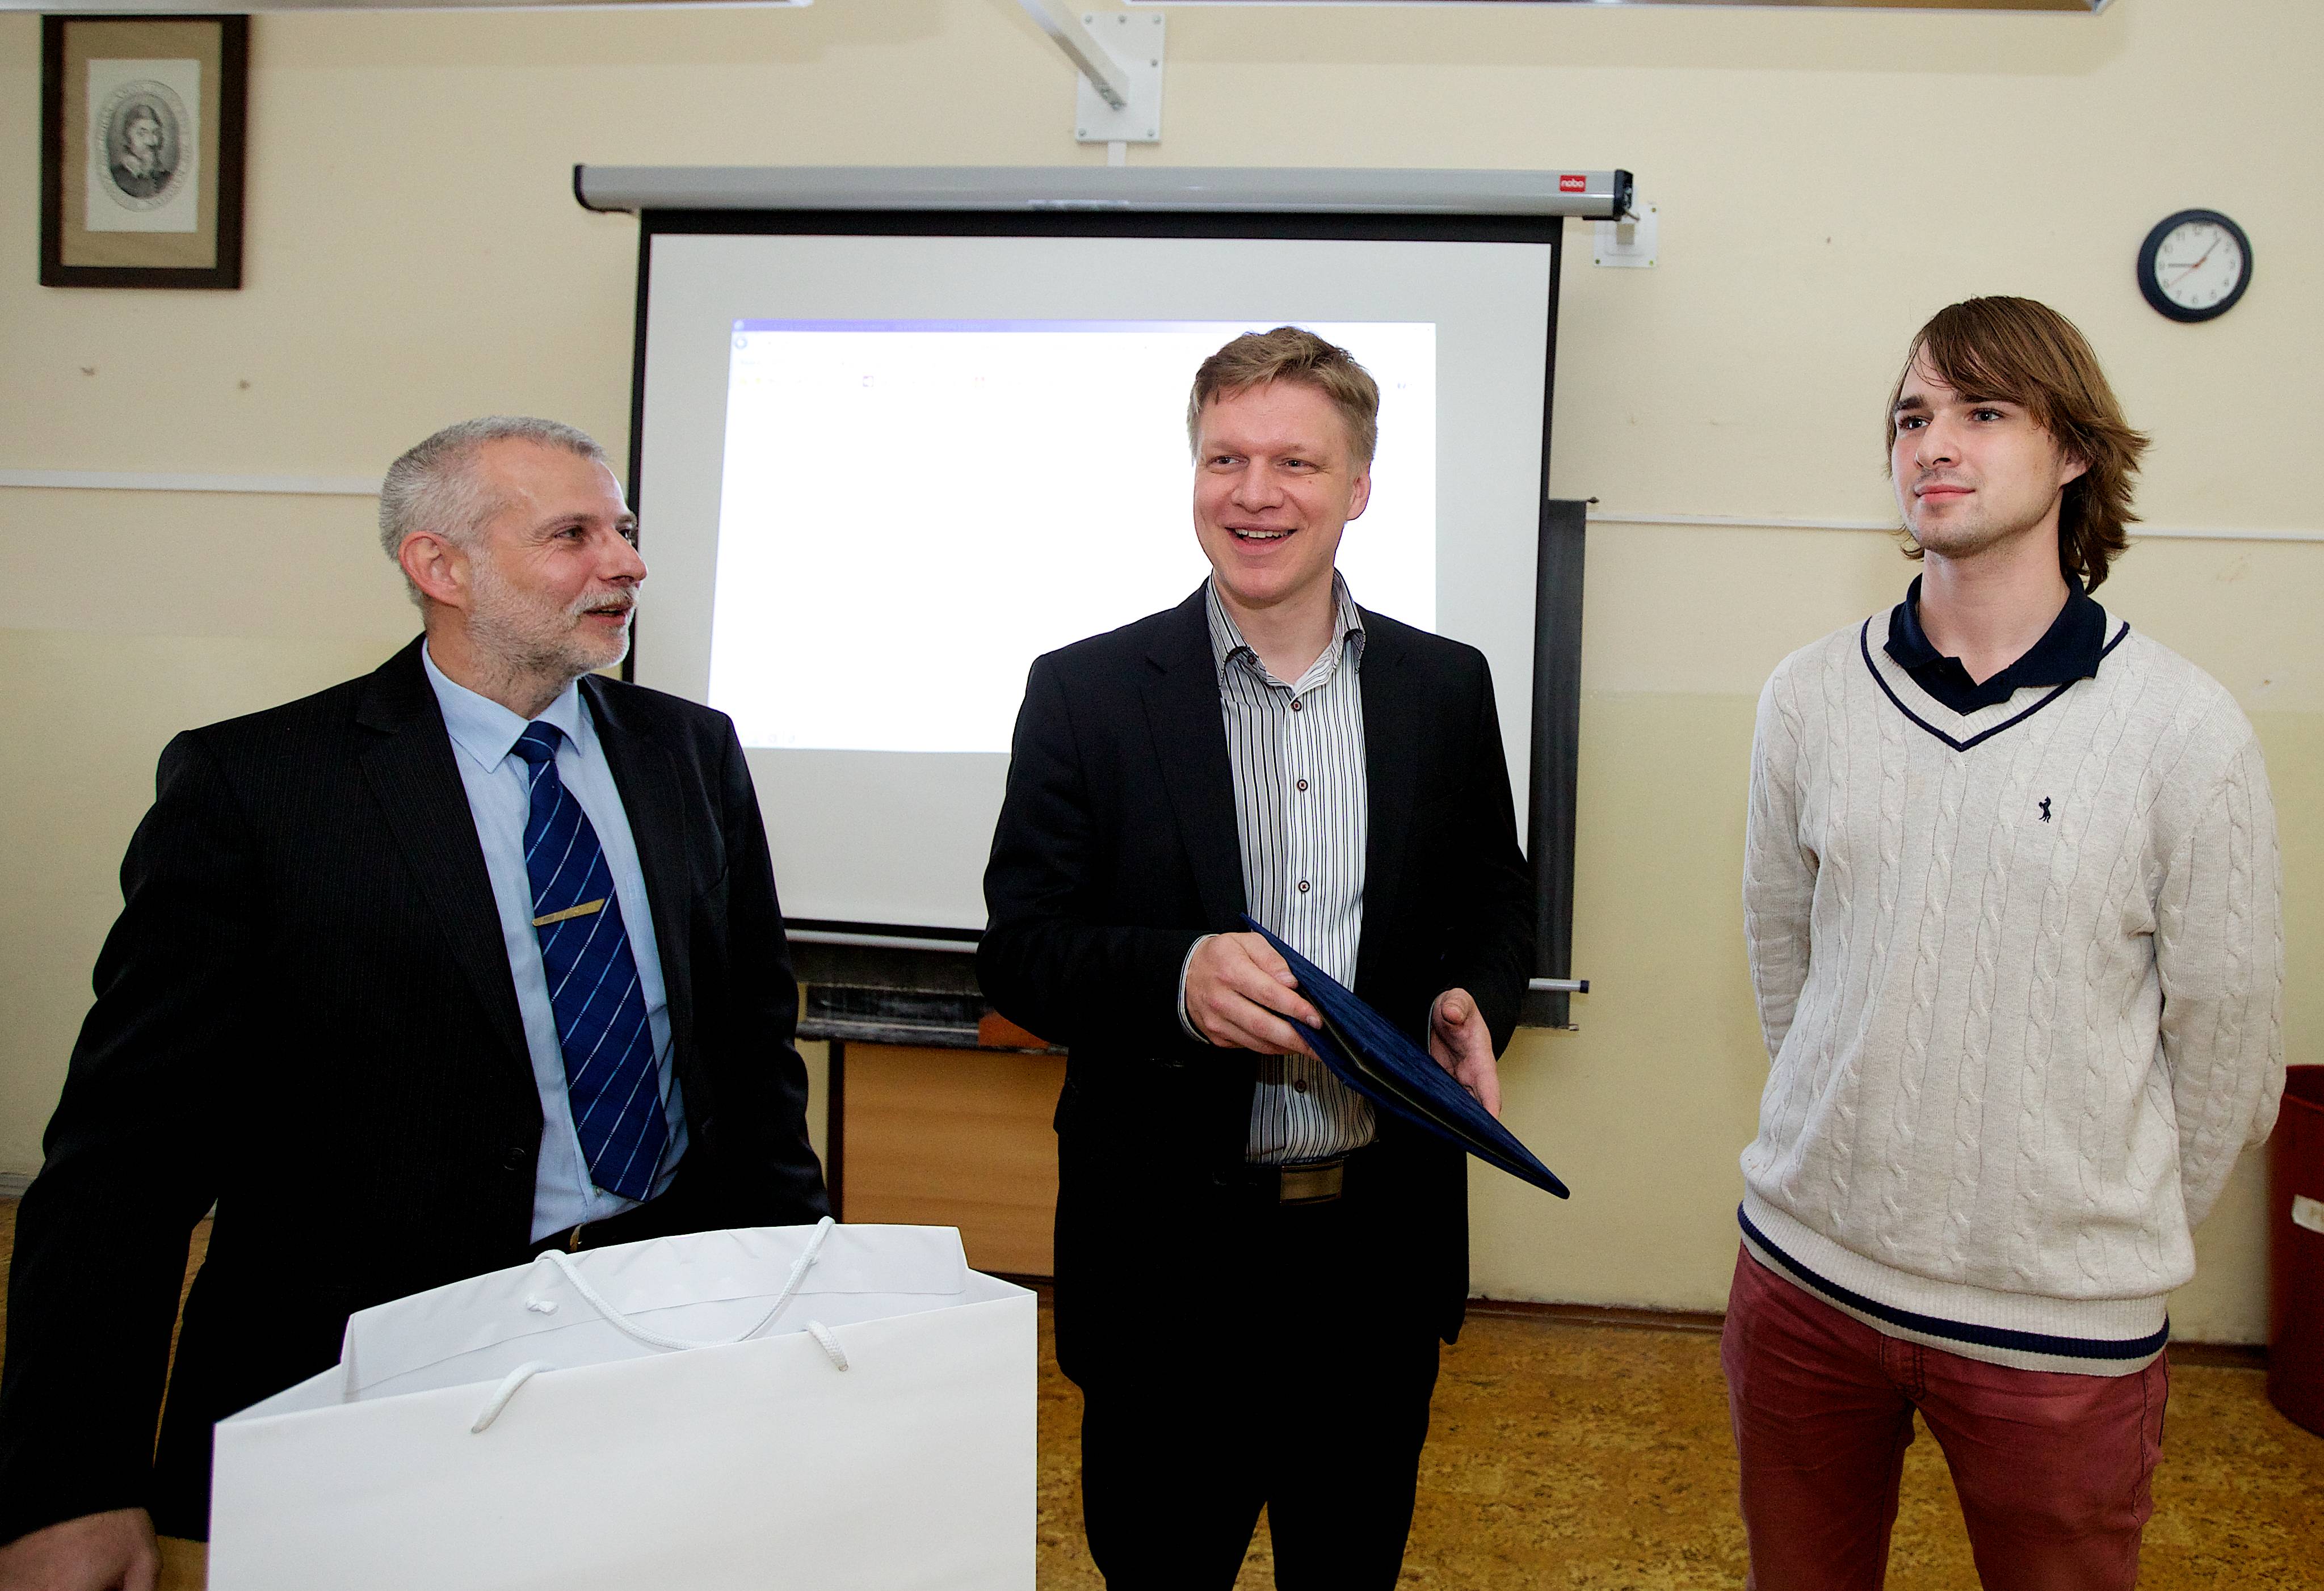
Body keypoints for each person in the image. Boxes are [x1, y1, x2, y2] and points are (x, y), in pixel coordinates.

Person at [0, 417, 828, 1589]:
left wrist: (796, 1301)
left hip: (657, 1331)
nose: (627, 562)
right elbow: (122, 1163)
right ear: (440, 566)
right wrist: (68, 1483)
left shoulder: (688, 751)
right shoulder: (259, 788)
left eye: (625, 528)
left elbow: (750, 1055)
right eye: (573, 535)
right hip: (367, 1375)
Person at [1728, 297, 2284, 1589]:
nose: (1933, 444)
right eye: (1911, 416)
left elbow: (2227, 1048)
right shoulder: (1808, 695)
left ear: (2072, 450)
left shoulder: (2184, 729)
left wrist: (2092, 1227)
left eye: (1982, 412)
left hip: (2059, 1336)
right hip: (1805, 1287)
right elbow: (1784, 958)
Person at [980, 327, 1533, 1589]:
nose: (1254, 493)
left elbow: (1496, 900)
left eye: (1295, 461)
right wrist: (1173, 978)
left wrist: (1473, 999)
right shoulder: (1085, 692)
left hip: (1374, 1261)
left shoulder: (1444, 688)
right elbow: (1021, 952)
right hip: (1164, 1265)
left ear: (1358, 488)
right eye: (1224, 458)